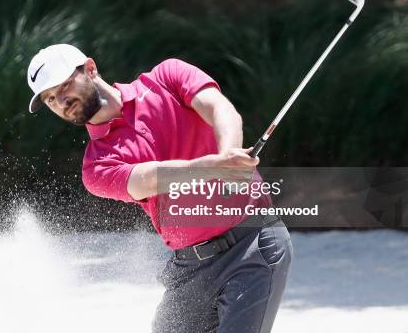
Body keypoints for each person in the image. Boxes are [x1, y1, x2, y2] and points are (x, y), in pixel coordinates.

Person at [26, 43, 293, 333]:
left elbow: (218, 107)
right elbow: (150, 179)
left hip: (251, 244)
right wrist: (216, 166)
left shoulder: (166, 76)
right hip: (189, 268)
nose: (61, 101)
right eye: (51, 99)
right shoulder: (97, 166)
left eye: (64, 85)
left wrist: (229, 154)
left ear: (90, 69)